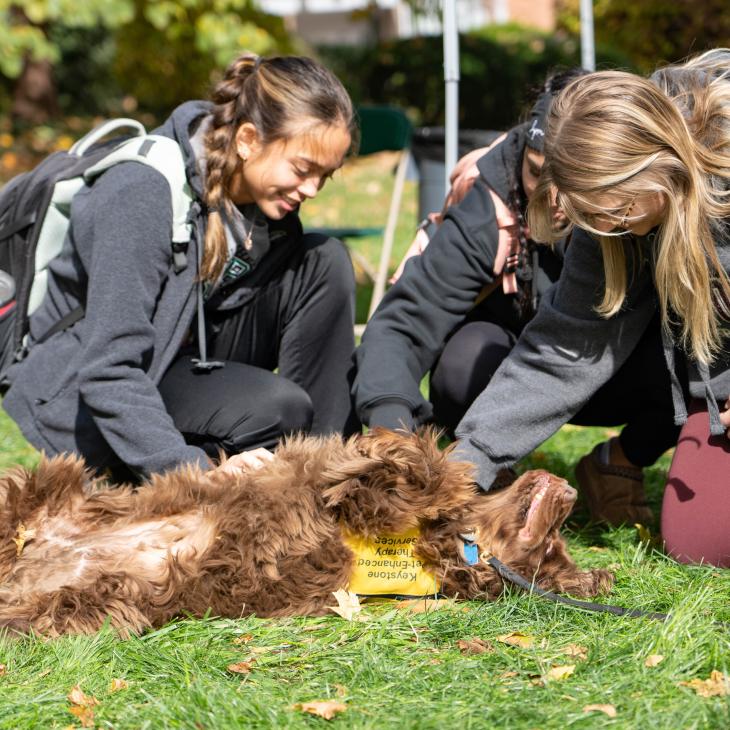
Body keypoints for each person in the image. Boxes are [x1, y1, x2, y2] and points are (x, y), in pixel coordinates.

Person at [1, 53, 359, 482]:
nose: (313, 189)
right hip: (97, 387)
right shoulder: (140, 191)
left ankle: (323, 478)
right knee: (277, 409)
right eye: (304, 170)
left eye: (326, 175)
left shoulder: (267, 206)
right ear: (247, 140)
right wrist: (192, 470)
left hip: (186, 355)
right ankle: (176, 476)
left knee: (325, 259)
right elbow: (107, 370)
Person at [353, 68, 678, 519]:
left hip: (634, 367)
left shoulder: (640, 199)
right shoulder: (491, 204)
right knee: (463, 359)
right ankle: (495, 476)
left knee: (689, 349)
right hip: (525, 376)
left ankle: (623, 461)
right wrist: (393, 428)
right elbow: (404, 322)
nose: (559, 202)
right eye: (538, 173)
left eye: (580, 184)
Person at [454, 49, 730, 567]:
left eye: (617, 211)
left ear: (655, 166)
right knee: (704, 543)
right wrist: (467, 466)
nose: (607, 227)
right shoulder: (610, 211)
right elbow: (564, 348)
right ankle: (611, 466)